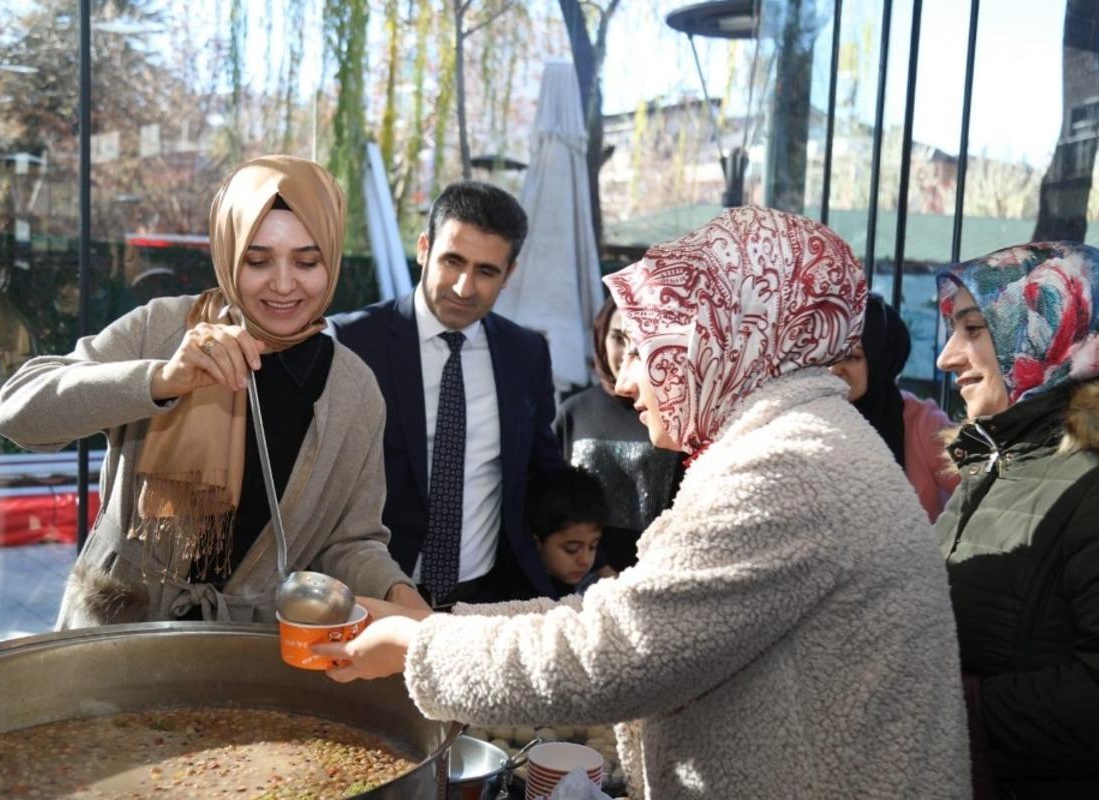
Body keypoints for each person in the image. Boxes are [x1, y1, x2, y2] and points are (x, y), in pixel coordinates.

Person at [317, 207, 971, 799]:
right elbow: (623, 611)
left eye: (648, 346)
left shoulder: (786, 465)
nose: (627, 379)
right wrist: (436, 622)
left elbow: (616, 654)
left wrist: (420, 647)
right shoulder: (793, 440)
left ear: (719, 340)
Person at [0, 156, 425, 626]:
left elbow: (352, 542)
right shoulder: (164, 328)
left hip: (248, 651)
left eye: (307, 260)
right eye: (256, 260)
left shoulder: (353, 390)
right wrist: (160, 379)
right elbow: (19, 412)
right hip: (117, 633)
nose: (283, 284)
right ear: (227, 251)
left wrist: (398, 593)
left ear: (333, 260)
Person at [330, 181, 564, 607]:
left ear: (509, 274)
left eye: (486, 271)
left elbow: (542, 471)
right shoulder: (351, 342)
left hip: (489, 597)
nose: (464, 287)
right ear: (423, 248)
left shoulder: (526, 353)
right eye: (452, 262)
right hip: (373, 593)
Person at [934, 242, 1099, 799]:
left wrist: (954, 705)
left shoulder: (1093, 482)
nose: (947, 357)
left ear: (1054, 330)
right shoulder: (993, 460)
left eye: (975, 329)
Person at [555, 295, 683, 570]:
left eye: (637, 348)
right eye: (618, 339)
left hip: (659, 568)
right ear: (601, 337)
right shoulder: (574, 411)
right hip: (580, 571)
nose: (624, 354)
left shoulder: (672, 414)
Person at [829, 294, 960, 521]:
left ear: (883, 361)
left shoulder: (921, 422)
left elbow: (979, 492)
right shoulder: (801, 418)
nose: (833, 369)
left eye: (852, 357)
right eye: (825, 356)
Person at [526, 465, 612, 597]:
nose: (585, 560)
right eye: (572, 549)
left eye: (593, 546)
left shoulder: (594, 588)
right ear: (537, 543)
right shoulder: (521, 598)